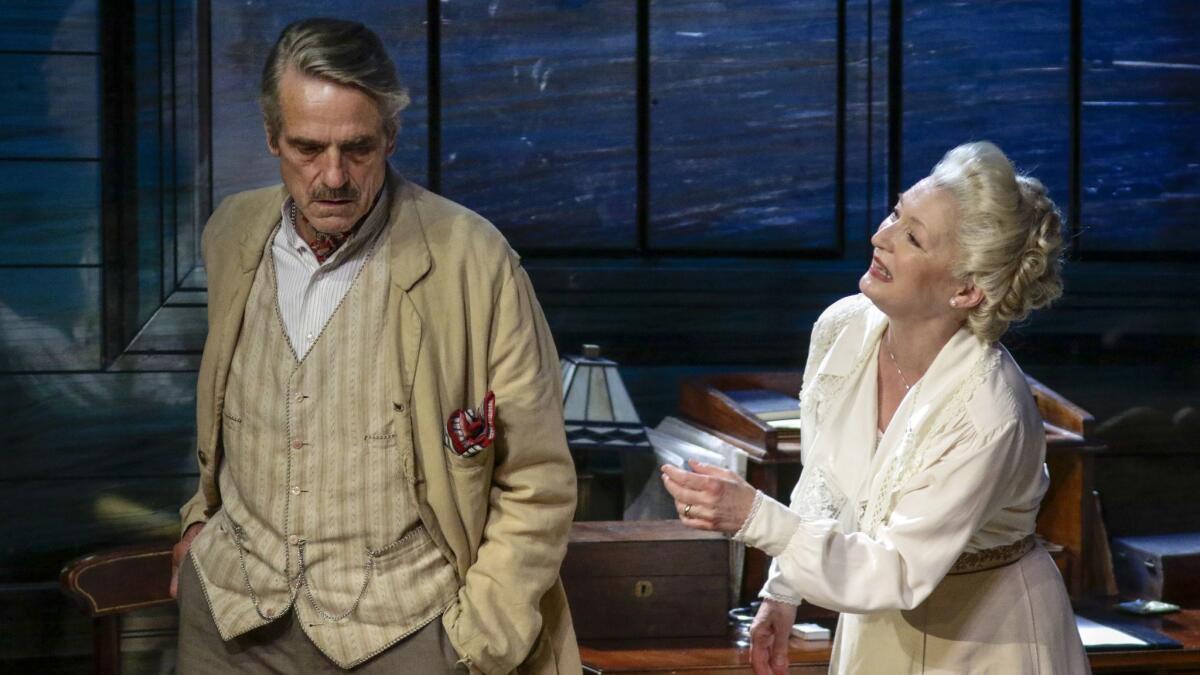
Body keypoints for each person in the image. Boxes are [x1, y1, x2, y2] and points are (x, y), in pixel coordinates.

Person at [168, 18, 579, 674]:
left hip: (406, 635)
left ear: (390, 135)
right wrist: (200, 518)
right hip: (229, 621)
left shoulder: (474, 259)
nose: (333, 175)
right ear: (272, 135)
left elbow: (538, 477)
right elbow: (231, 412)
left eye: (357, 148)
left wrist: (477, 640)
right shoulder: (232, 234)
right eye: (307, 147)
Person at [662, 142, 1090, 674]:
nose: (880, 237)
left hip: (987, 641)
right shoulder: (845, 328)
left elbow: (897, 571)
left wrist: (754, 516)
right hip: (875, 628)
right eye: (896, 212)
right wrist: (784, 591)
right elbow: (825, 476)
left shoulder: (986, 409)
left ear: (965, 291)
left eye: (912, 237)